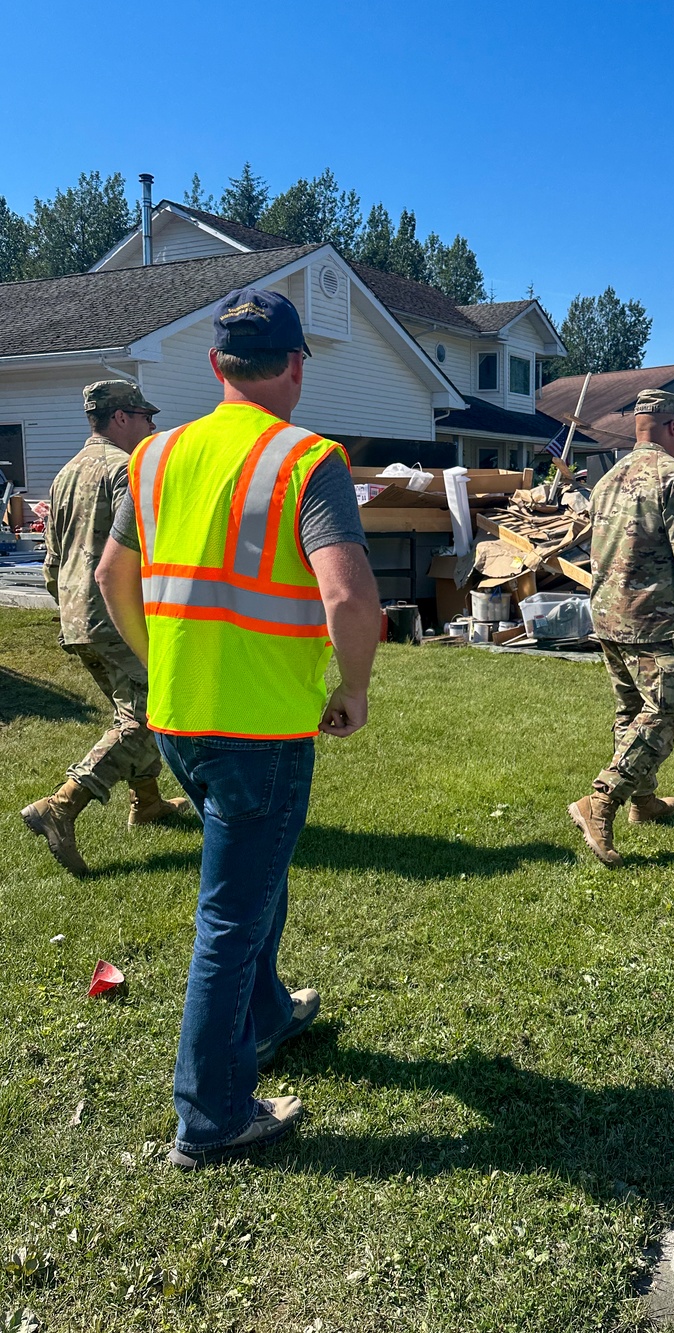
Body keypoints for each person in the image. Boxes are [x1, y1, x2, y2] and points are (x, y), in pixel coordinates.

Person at [96, 287, 382, 1169]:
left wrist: (158, 665)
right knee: (232, 912)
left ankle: (265, 1018)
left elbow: (113, 576)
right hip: (261, 727)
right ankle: (212, 1116)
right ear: (296, 366)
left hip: (181, 718)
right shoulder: (307, 459)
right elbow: (350, 595)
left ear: (217, 366)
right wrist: (355, 688)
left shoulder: (153, 454)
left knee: (255, 878)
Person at [20, 381, 188, 875]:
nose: (151, 426)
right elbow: (142, 547)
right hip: (116, 612)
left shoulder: (65, 474)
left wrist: (66, 603)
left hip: (76, 615)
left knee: (132, 709)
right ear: (119, 418)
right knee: (148, 716)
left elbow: (53, 556)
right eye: (143, 416)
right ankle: (62, 806)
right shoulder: (125, 469)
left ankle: (149, 802)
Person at [568, 389, 674, 867]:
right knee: (667, 707)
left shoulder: (607, 481)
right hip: (655, 620)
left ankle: (644, 803)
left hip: (607, 615)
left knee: (631, 712)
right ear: (673, 428)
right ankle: (601, 800)